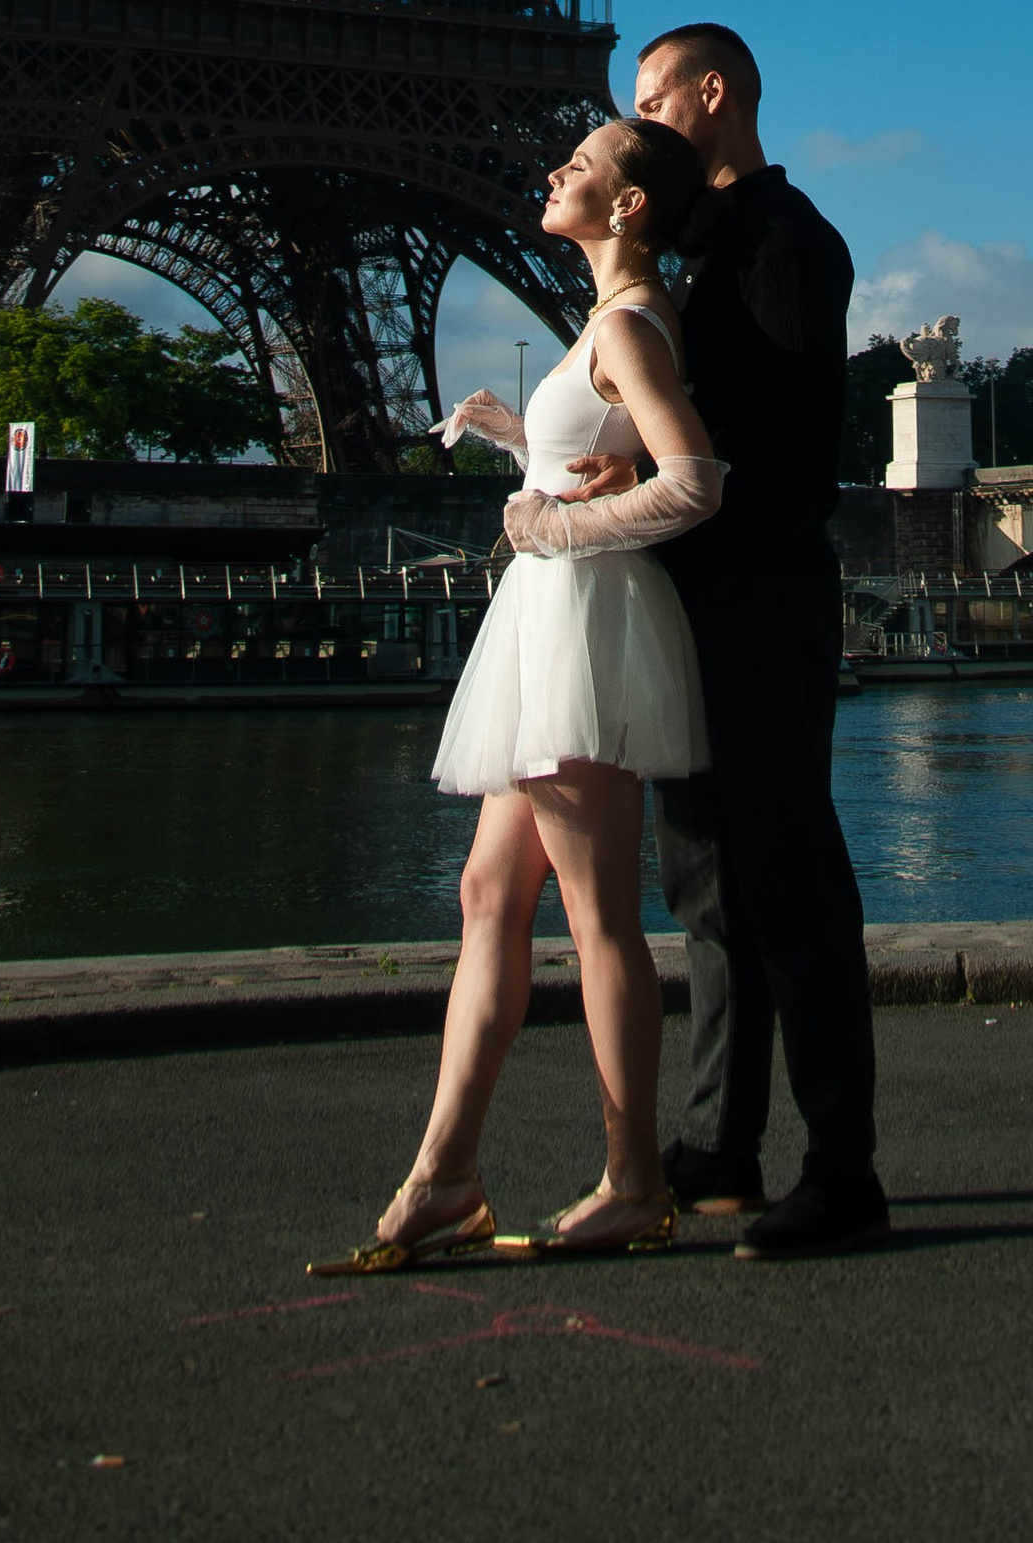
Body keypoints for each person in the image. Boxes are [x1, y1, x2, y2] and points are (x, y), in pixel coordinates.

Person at [316, 112, 719, 1273]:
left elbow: (694, 483)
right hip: (552, 617)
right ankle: (444, 1175)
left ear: (630, 204)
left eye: (581, 164)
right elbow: (604, 449)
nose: (555, 170)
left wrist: (555, 519)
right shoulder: (610, 317)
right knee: (488, 891)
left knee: (597, 917)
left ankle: (632, 1179)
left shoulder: (632, 321)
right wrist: (518, 450)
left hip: (578, 620)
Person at [626, 21, 888, 1258]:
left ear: (712, 92)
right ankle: (719, 1147)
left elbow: (780, 452)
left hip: (758, 590)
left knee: (784, 879)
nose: (637, 124)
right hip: (708, 593)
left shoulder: (782, 243)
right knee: (709, 886)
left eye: (653, 97)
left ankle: (843, 1169)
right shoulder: (706, 248)